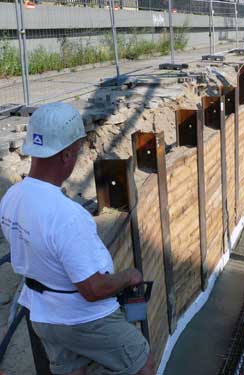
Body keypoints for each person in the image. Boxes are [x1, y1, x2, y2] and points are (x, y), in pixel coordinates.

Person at [0, 103, 154, 375]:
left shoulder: (12, 197)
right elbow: (92, 289)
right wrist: (129, 277)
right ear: (67, 154)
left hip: (43, 315)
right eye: (78, 149)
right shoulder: (67, 215)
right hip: (82, 318)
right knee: (140, 360)